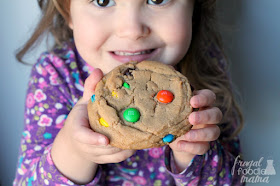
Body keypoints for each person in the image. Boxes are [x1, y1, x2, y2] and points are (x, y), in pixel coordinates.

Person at [14, 0, 244, 185]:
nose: (132, 30)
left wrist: (191, 154)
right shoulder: (56, 74)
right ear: (68, 11)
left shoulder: (206, 68)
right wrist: (75, 151)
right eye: (103, 1)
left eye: (157, 0)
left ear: (194, 7)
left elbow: (236, 179)